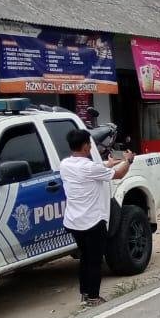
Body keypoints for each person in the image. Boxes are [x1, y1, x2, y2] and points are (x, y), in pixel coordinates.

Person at [59, 128, 134, 308]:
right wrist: (128, 161)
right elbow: (119, 174)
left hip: (73, 221)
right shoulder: (89, 167)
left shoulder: (65, 164)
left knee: (85, 257)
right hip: (92, 222)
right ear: (86, 146)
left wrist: (108, 164)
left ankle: (85, 294)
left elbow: (94, 171)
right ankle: (93, 297)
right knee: (95, 260)